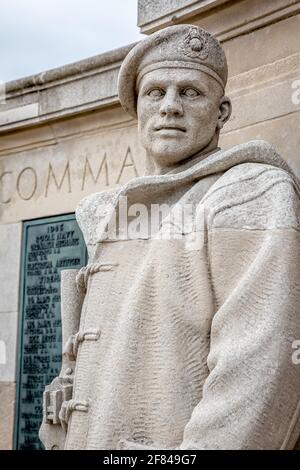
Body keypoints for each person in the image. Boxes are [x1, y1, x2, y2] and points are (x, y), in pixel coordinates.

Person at [40, 24, 300, 450]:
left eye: (191, 92)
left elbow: (259, 372)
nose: (170, 107)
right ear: (139, 108)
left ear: (222, 112)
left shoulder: (250, 190)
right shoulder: (113, 212)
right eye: (155, 93)